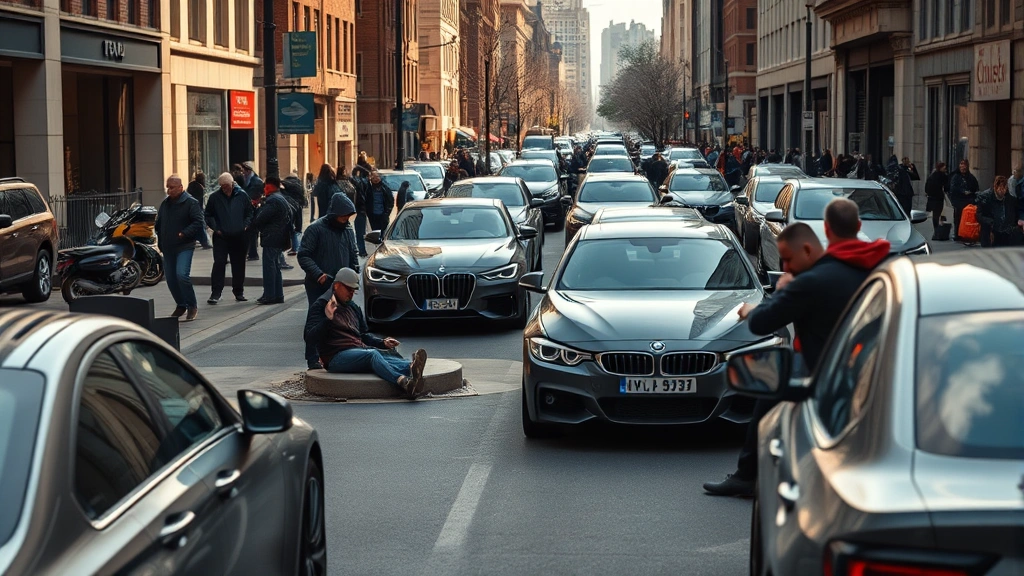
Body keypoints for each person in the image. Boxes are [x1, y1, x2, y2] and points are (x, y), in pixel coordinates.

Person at [702, 198, 891, 497]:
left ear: (827, 230)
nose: (786, 267)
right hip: (879, 372)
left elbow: (762, 322)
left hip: (823, 375)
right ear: (858, 227)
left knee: (767, 388)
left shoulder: (815, 281)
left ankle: (747, 474)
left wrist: (770, 298)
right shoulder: (887, 270)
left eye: (788, 260)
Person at [304, 269, 429, 399]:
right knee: (372, 355)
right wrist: (328, 320)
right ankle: (403, 382)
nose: (351, 294)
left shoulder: (352, 307)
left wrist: (382, 342)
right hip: (335, 357)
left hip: (358, 350)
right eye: (349, 290)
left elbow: (363, 334)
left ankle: (412, 370)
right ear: (337, 286)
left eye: (354, 291)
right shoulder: (321, 305)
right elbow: (310, 337)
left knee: (394, 360)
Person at [298, 193, 360, 369]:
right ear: (334, 214)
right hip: (320, 283)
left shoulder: (348, 230)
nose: (346, 219)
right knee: (317, 320)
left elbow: (353, 253)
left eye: (348, 216)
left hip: (341, 283)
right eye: (343, 216)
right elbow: (304, 255)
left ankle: (335, 353)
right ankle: (312, 357)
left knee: (339, 319)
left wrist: (354, 272)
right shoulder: (316, 229)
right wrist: (319, 275)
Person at [156, 175, 205, 321]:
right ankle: (181, 304)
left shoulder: (190, 203)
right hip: (168, 246)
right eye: (167, 187)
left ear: (180, 187)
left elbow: (198, 222)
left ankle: (192, 305)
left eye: (171, 187)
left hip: (184, 245)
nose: (169, 190)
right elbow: (160, 223)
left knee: (181, 275)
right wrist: (160, 239)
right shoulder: (165, 204)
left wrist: (184, 233)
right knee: (170, 279)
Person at [205, 172, 254, 304]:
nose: (224, 188)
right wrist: (216, 228)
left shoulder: (242, 195)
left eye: (226, 185)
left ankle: (239, 291)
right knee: (219, 263)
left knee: (239, 264)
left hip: (239, 236)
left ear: (232, 184)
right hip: (221, 236)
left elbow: (249, 212)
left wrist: (245, 225)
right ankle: (216, 293)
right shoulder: (215, 197)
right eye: (222, 186)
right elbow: (208, 214)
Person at [252, 176, 293, 305]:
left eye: (266, 186)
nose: (264, 189)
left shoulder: (273, 200)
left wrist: (257, 208)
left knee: (270, 267)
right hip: (279, 237)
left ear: (271, 186)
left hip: (272, 237)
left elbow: (261, 217)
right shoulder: (280, 198)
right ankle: (277, 295)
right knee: (275, 266)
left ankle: (270, 295)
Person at [976, 175, 1024, 247]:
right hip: (992, 231)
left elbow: (1016, 213)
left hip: (1006, 233)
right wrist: (990, 222)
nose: (1002, 190)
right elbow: (979, 215)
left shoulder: (1010, 199)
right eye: (1000, 188)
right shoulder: (985, 198)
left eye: (1004, 188)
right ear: (995, 187)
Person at [949, 159, 980, 241]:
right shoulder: (956, 177)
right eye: (961, 166)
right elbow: (953, 188)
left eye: (964, 166)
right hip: (958, 201)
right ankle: (957, 233)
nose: (963, 168)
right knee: (958, 218)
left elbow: (975, 188)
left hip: (968, 200)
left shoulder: (971, 177)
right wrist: (962, 191)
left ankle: (967, 233)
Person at [241, 161, 265, 261]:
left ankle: (253, 253)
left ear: (249, 170)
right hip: (249, 209)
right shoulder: (247, 180)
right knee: (250, 232)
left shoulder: (256, 181)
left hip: (254, 209)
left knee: (252, 232)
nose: (243, 173)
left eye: (245, 171)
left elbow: (253, 195)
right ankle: (251, 252)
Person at [281, 171, 308, 256]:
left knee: (290, 226)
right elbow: (304, 195)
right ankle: (297, 247)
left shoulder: (285, 184)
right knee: (298, 227)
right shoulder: (299, 184)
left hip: (291, 206)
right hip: (299, 206)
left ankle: (293, 247)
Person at [186, 172, 212, 249]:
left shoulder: (191, 185)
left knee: (195, 224)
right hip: (198, 208)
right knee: (201, 225)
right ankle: (205, 242)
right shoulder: (200, 187)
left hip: (190, 207)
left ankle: (200, 240)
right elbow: (201, 200)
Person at [924, 162, 949, 235]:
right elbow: (946, 187)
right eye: (944, 168)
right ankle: (938, 229)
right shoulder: (943, 176)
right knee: (938, 213)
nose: (945, 169)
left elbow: (927, 187)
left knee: (935, 214)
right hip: (938, 198)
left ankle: (936, 228)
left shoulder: (932, 175)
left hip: (932, 198)